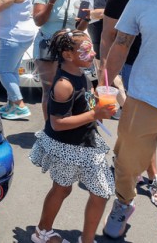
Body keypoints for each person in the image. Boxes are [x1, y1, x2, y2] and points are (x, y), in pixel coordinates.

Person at [101, 0, 157, 240]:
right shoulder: (141, 1)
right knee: (126, 163)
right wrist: (105, 87)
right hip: (144, 97)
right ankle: (124, 203)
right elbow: (120, 46)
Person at [29, 29, 115, 243]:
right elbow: (57, 123)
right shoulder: (63, 85)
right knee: (62, 189)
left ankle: (87, 240)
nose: (93, 53)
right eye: (86, 50)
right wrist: (94, 114)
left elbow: (87, 102)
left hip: (87, 143)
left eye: (92, 48)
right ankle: (42, 232)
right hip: (67, 148)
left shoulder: (83, 75)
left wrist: (97, 103)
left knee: (101, 191)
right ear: (67, 55)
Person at [33, 0, 90, 120]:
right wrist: (52, 1)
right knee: (49, 88)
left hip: (68, 48)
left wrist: (86, 19)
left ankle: (68, 121)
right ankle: (49, 127)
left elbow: (79, 29)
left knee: (74, 84)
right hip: (46, 45)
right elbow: (38, 21)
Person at [85, 0, 120, 72]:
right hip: (116, 35)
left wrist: (87, 13)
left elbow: (101, 12)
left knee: (103, 70)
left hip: (102, 36)